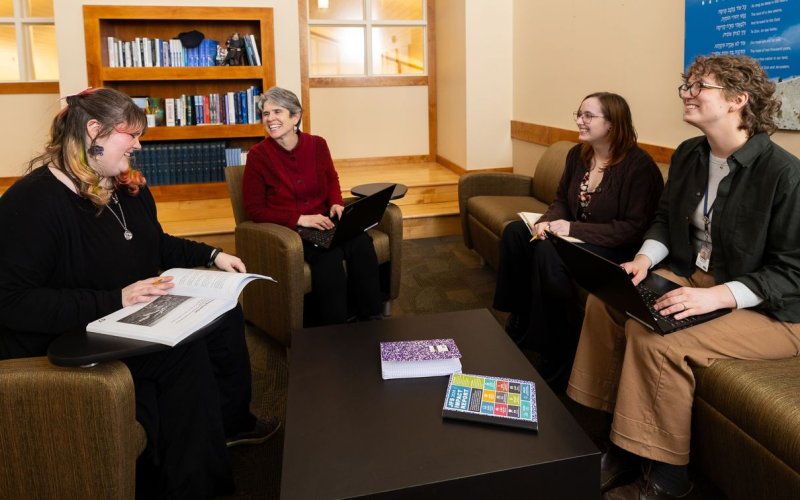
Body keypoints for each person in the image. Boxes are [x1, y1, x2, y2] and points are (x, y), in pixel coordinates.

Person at [0, 88, 279, 498]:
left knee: (222, 312)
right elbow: (11, 302)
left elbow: (156, 244)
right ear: (94, 131)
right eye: (130, 135)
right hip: (67, 334)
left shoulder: (122, 186)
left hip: (123, 315)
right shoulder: (32, 203)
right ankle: (197, 484)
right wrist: (116, 298)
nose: (138, 144)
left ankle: (230, 425)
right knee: (184, 355)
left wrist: (214, 254)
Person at [567, 55, 800, 499]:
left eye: (699, 86)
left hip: (776, 309)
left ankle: (667, 477)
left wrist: (718, 298)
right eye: (686, 85)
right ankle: (606, 436)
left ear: (738, 100)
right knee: (607, 301)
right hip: (695, 276)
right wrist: (644, 259)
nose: (687, 93)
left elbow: (793, 272)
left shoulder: (785, 175)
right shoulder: (691, 153)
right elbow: (663, 219)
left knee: (658, 341)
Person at [492, 92, 664, 389]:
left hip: (613, 247)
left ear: (612, 124)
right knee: (516, 233)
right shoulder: (579, 155)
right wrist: (546, 222)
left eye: (588, 116)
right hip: (576, 235)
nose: (579, 121)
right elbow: (561, 200)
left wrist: (570, 229)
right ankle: (520, 315)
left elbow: (633, 229)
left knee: (548, 252)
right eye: (579, 114)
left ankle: (557, 349)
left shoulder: (639, 167)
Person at [242, 86, 383, 325]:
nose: (270, 119)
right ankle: (334, 329)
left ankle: (371, 317)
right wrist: (300, 219)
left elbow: (331, 179)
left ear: (295, 117)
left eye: (277, 112)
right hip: (293, 229)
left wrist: (337, 203)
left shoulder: (318, 144)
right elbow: (255, 209)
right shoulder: (258, 156)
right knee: (327, 256)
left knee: (361, 243)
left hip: (326, 220)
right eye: (266, 114)